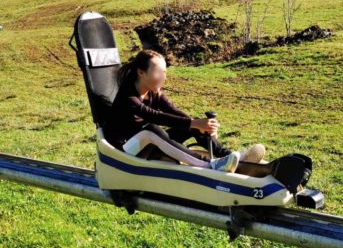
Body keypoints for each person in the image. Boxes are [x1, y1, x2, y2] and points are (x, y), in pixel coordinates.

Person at [102, 49, 265, 173]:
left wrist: (200, 126)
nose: (163, 77)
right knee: (151, 130)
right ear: (141, 72)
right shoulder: (127, 96)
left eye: (164, 72)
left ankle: (230, 157)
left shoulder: (154, 91)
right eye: (158, 72)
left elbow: (172, 111)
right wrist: (194, 123)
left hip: (147, 146)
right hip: (123, 151)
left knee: (190, 123)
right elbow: (155, 116)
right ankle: (210, 165)